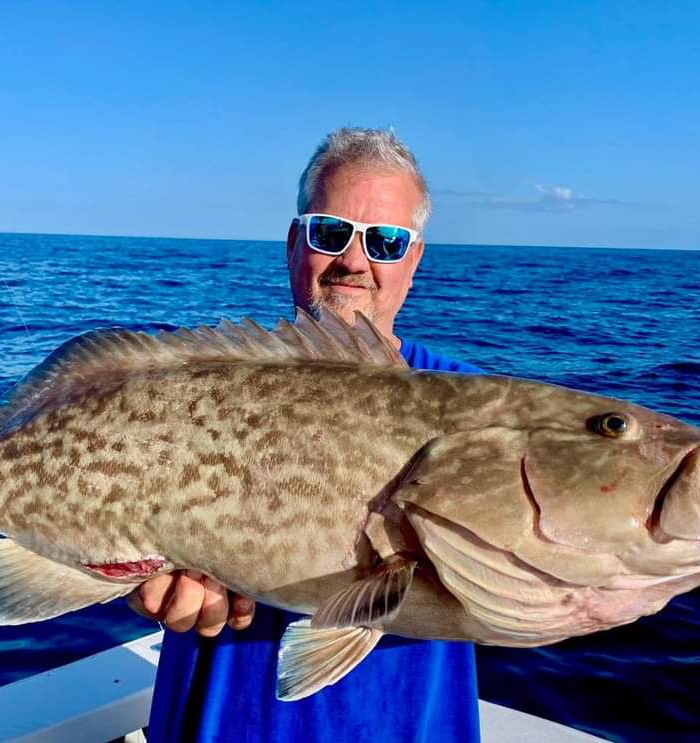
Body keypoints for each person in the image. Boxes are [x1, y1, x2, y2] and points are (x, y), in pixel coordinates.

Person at [134, 128, 483, 742]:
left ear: (415, 258)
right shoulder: (194, 390)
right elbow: (104, 507)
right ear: (295, 242)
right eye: (329, 232)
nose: (354, 261)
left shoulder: (475, 410)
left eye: (385, 241)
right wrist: (137, 574)